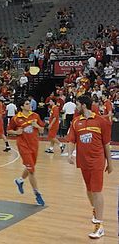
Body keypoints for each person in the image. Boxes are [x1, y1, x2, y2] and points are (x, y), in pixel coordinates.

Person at [66, 95, 113, 239]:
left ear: (83, 105)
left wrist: (110, 163)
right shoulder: (75, 122)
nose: (76, 107)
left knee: (97, 191)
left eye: (77, 104)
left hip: (97, 161)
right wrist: (69, 154)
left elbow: (106, 144)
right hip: (83, 161)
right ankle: (95, 210)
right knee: (89, 190)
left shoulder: (101, 121)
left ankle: (99, 226)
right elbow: (71, 140)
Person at [8, 98, 45, 206]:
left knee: (30, 167)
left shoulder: (35, 116)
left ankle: (19, 180)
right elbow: (9, 130)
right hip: (23, 146)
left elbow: (42, 129)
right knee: (32, 170)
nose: (30, 105)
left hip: (34, 145)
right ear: (22, 107)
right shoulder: (16, 118)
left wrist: (37, 126)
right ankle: (37, 193)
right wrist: (16, 132)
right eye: (27, 104)